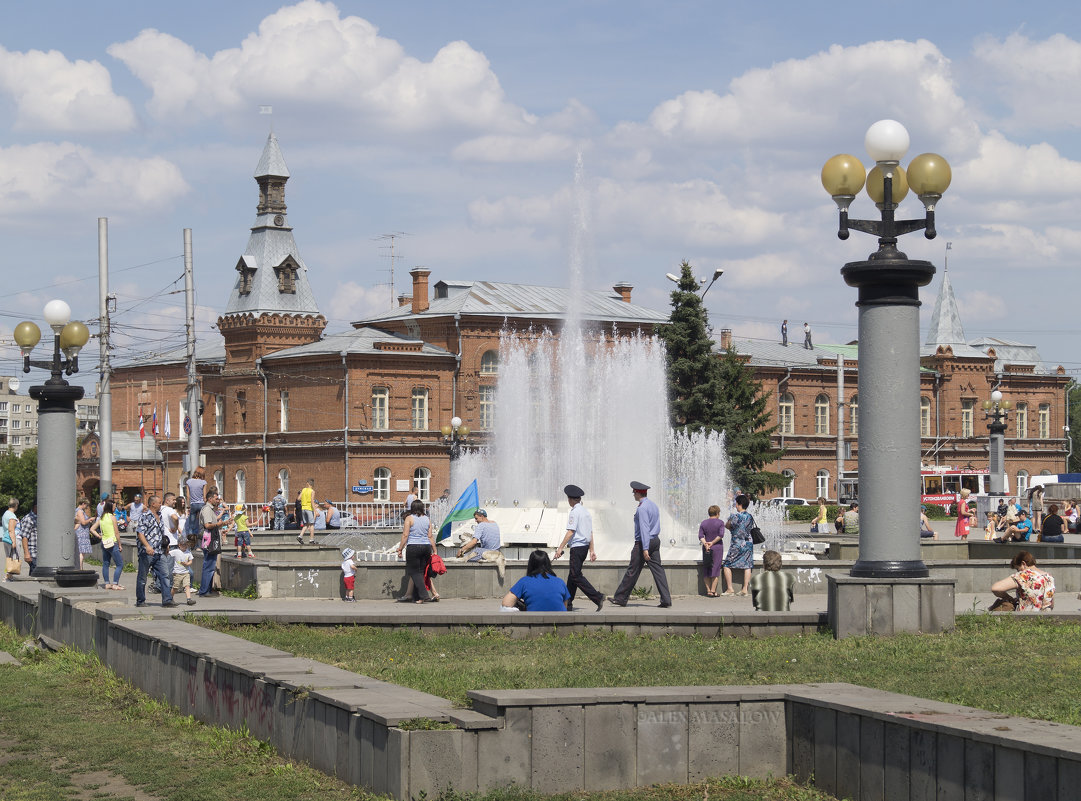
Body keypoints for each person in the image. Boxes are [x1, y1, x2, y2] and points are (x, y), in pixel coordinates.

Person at [609, 481, 672, 608]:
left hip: (644, 542)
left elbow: (644, 528)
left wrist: (645, 548)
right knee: (658, 571)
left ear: (638, 493)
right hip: (655, 539)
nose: (633, 495)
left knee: (632, 570)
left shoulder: (642, 508)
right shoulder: (653, 505)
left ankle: (620, 598)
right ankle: (666, 599)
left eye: (634, 492)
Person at [553, 486, 604, 611]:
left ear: (570, 499)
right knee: (572, 576)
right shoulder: (586, 512)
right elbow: (590, 533)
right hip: (584, 547)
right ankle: (568, 603)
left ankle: (597, 597)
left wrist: (560, 548)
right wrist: (592, 550)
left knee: (576, 575)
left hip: (577, 547)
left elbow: (571, 531)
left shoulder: (574, 512)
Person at [134, 494, 176, 608]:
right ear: (153, 504)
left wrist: (166, 545)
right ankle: (140, 600)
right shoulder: (145, 516)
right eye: (159, 502)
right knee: (142, 577)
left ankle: (167, 599)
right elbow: (140, 533)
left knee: (165, 574)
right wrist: (147, 546)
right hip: (147, 552)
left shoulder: (160, 515)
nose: (160, 504)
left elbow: (161, 532)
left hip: (159, 551)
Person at [394, 500, 436, 603]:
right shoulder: (427, 519)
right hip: (426, 547)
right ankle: (419, 598)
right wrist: (434, 550)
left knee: (413, 571)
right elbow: (430, 536)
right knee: (421, 572)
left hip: (413, 547)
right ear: (422, 508)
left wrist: (400, 549)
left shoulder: (409, 518)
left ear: (412, 508)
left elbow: (405, 535)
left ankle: (424, 595)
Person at [502, 550, 570, 612]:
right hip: (559, 622)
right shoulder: (560, 582)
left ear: (531, 564)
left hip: (534, 621)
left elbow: (506, 604)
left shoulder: (524, 581)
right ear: (548, 563)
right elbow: (564, 606)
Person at [990, 551, 1055, 611]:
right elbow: (1051, 603)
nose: (1018, 571)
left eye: (1018, 569)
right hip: (1045, 620)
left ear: (1023, 563)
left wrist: (1009, 598)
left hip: (1025, 619)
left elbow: (995, 588)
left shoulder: (1024, 576)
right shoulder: (1049, 577)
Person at [721, 494, 755, 596]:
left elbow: (727, 526)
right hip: (748, 543)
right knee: (747, 565)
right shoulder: (750, 516)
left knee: (727, 564)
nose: (735, 505)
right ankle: (745, 589)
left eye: (736, 503)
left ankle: (730, 589)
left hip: (737, 543)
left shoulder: (735, 516)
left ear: (739, 504)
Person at [198, 490, 229, 598]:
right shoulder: (207, 509)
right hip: (209, 541)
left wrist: (223, 524)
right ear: (210, 499)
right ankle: (204, 591)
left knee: (210, 565)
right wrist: (219, 524)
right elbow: (208, 525)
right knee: (208, 566)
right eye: (216, 498)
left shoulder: (210, 509)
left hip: (212, 539)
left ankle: (208, 589)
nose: (218, 501)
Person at [91, 499, 124, 590]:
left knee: (106, 563)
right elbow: (116, 533)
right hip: (112, 543)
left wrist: (99, 536)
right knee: (120, 564)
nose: (115, 508)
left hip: (104, 543)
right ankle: (115, 583)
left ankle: (106, 583)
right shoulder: (112, 517)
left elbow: (92, 529)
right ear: (110, 507)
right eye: (114, 506)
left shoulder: (102, 517)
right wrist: (120, 544)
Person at [697, 505, 724, 597]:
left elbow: (700, 536)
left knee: (707, 568)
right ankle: (713, 591)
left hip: (706, 548)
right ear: (717, 513)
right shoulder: (720, 522)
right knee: (715, 568)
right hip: (717, 548)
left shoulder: (704, 523)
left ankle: (708, 590)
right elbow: (721, 535)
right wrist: (712, 543)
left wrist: (706, 544)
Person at [170, 537, 197, 605]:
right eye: (183, 544)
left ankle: (189, 599)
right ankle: (170, 598)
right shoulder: (176, 551)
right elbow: (168, 553)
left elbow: (191, 560)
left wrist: (187, 563)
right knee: (175, 587)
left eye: (186, 544)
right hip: (177, 573)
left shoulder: (188, 552)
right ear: (179, 545)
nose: (185, 546)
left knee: (187, 586)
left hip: (185, 572)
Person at [185, 466, 207, 537]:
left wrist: (188, 505)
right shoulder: (203, 482)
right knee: (202, 523)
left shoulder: (188, 482)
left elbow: (188, 496)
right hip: (201, 504)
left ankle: (191, 540)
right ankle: (201, 539)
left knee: (191, 524)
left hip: (193, 504)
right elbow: (204, 496)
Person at [74, 497, 96, 569]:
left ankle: (80, 567)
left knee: (80, 552)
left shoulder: (77, 510)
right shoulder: (80, 511)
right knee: (81, 552)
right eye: (86, 505)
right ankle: (80, 568)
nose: (87, 507)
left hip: (81, 532)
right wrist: (90, 519)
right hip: (81, 533)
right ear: (83, 504)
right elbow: (83, 522)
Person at [18, 502, 38, 575]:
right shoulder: (29, 519)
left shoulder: (38, 517)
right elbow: (24, 537)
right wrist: (26, 554)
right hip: (33, 553)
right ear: (36, 507)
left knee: (36, 575)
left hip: (38, 553)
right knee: (35, 575)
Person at [3, 498, 19, 581]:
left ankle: (9, 576)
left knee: (9, 558)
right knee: (12, 558)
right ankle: (7, 577)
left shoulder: (6, 513)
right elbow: (11, 529)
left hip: (5, 538)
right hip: (10, 538)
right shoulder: (12, 516)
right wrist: (14, 541)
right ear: (16, 505)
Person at [298, 478, 316, 545]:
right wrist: (315, 510)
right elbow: (312, 501)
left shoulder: (303, 489)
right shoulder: (312, 491)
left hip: (303, 508)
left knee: (306, 524)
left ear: (308, 483)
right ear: (312, 484)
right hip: (309, 508)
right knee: (311, 524)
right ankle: (311, 539)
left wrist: (304, 498)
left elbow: (298, 498)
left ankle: (300, 536)